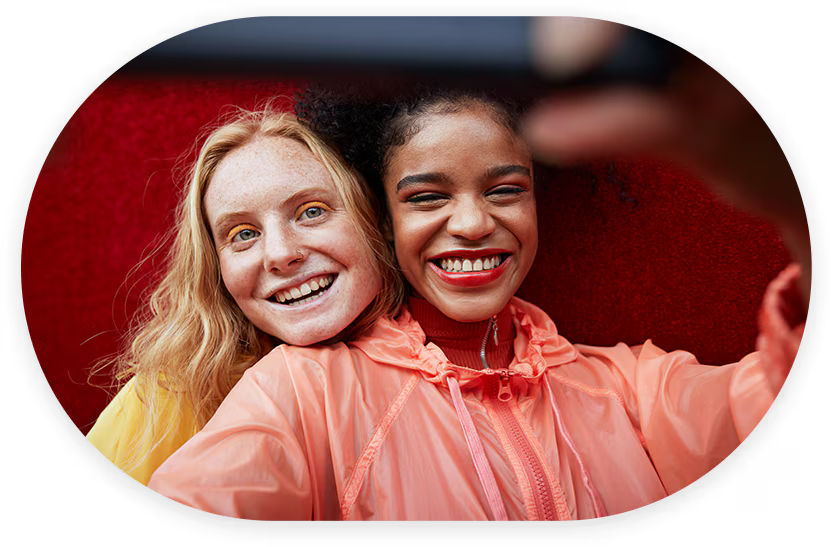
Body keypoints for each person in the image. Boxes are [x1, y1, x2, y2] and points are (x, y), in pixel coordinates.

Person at [132, 66, 810, 520]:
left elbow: (788, 444)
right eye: (427, 195)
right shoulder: (306, 391)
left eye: (503, 189)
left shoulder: (631, 386)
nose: (471, 222)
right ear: (382, 217)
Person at [43, 106, 404, 522]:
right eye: (243, 234)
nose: (281, 254)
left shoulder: (443, 373)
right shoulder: (165, 401)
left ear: (375, 220)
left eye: (311, 211)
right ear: (216, 270)